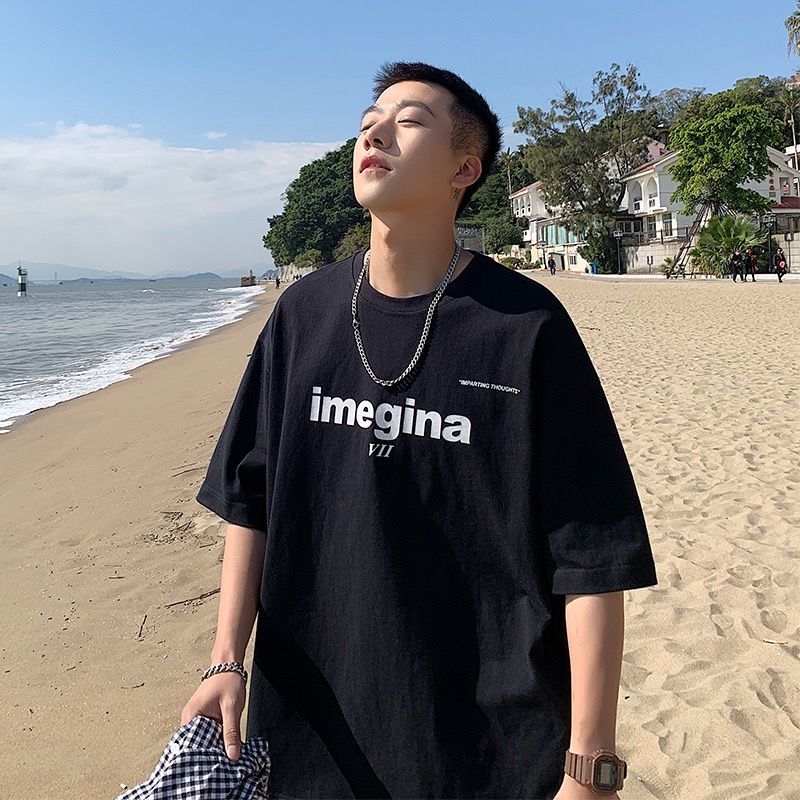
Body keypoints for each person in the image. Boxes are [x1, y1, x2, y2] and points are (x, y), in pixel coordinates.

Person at [186, 62, 657, 800]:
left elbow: (591, 555)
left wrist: (590, 765)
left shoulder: (526, 328)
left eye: (408, 121)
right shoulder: (301, 316)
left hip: (487, 746)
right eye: (368, 121)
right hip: (314, 734)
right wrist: (226, 660)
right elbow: (252, 499)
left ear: (464, 169)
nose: (375, 133)